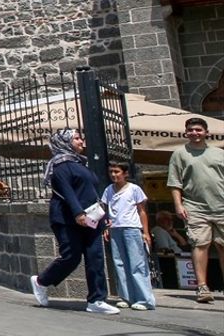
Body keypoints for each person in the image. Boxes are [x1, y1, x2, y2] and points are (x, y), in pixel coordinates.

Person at [30, 129, 118, 314]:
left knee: (95, 257)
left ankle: (96, 300)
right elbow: (66, 191)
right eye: (76, 138)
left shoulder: (80, 163)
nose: (81, 141)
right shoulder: (60, 165)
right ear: (65, 142)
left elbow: (92, 192)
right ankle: (41, 281)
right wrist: (78, 213)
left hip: (91, 219)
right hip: (67, 219)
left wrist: (103, 216)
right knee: (71, 256)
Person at [167, 116, 224, 304]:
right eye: (191, 130)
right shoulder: (180, 154)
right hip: (195, 207)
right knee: (200, 244)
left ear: (206, 132)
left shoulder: (219, 153)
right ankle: (202, 287)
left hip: (221, 206)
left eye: (198, 130)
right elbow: (175, 182)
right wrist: (178, 205)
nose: (194, 133)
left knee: (222, 245)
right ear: (186, 133)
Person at [101, 162, 156, 310]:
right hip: (115, 229)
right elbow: (107, 210)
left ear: (125, 173)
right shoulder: (108, 190)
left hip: (132, 228)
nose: (114, 175)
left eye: (117, 172)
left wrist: (145, 232)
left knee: (137, 263)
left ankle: (144, 299)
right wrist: (106, 227)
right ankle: (126, 296)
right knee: (119, 263)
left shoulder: (134, 189)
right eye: (111, 172)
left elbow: (142, 211)